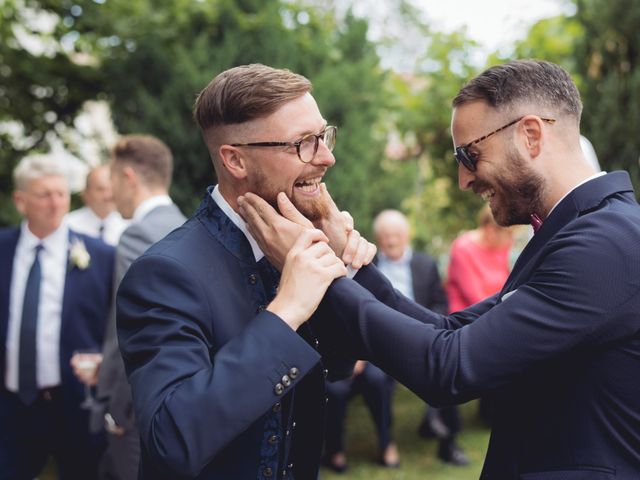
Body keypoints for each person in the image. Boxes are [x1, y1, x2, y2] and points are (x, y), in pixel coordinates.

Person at [239, 60, 640, 478]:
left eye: (470, 155)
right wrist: (349, 264)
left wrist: (316, 270)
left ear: (531, 135)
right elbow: (450, 332)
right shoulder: (582, 233)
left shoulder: (607, 244)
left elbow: (449, 369)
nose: (464, 179)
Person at [116, 64, 375, 480]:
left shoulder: (302, 242)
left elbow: (340, 366)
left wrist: (342, 269)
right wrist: (287, 308)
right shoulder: (163, 273)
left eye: (323, 136)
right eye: (302, 144)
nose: (327, 156)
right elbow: (171, 441)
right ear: (235, 159)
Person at [72, 135, 186, 480]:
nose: (111, 195)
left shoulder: (137, 235)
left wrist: (116, 409)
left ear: (129, 178)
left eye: (112, 181)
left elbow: (132, 331)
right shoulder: (184, 225)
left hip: (138, 408)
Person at [0, 154, 114, 479]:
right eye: (44, 195)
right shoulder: (3, 250)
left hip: (73, 403)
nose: (56, 203)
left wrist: (103, 363)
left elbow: (114, 327)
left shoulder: (101, 256)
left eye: (61, 194)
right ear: (20, 201)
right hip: (11, 404)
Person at [67, 164, 129, 246]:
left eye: (112, 189)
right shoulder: (69, 225)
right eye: (101, 189)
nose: (108, 195)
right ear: (86, 193)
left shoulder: (127, 226)